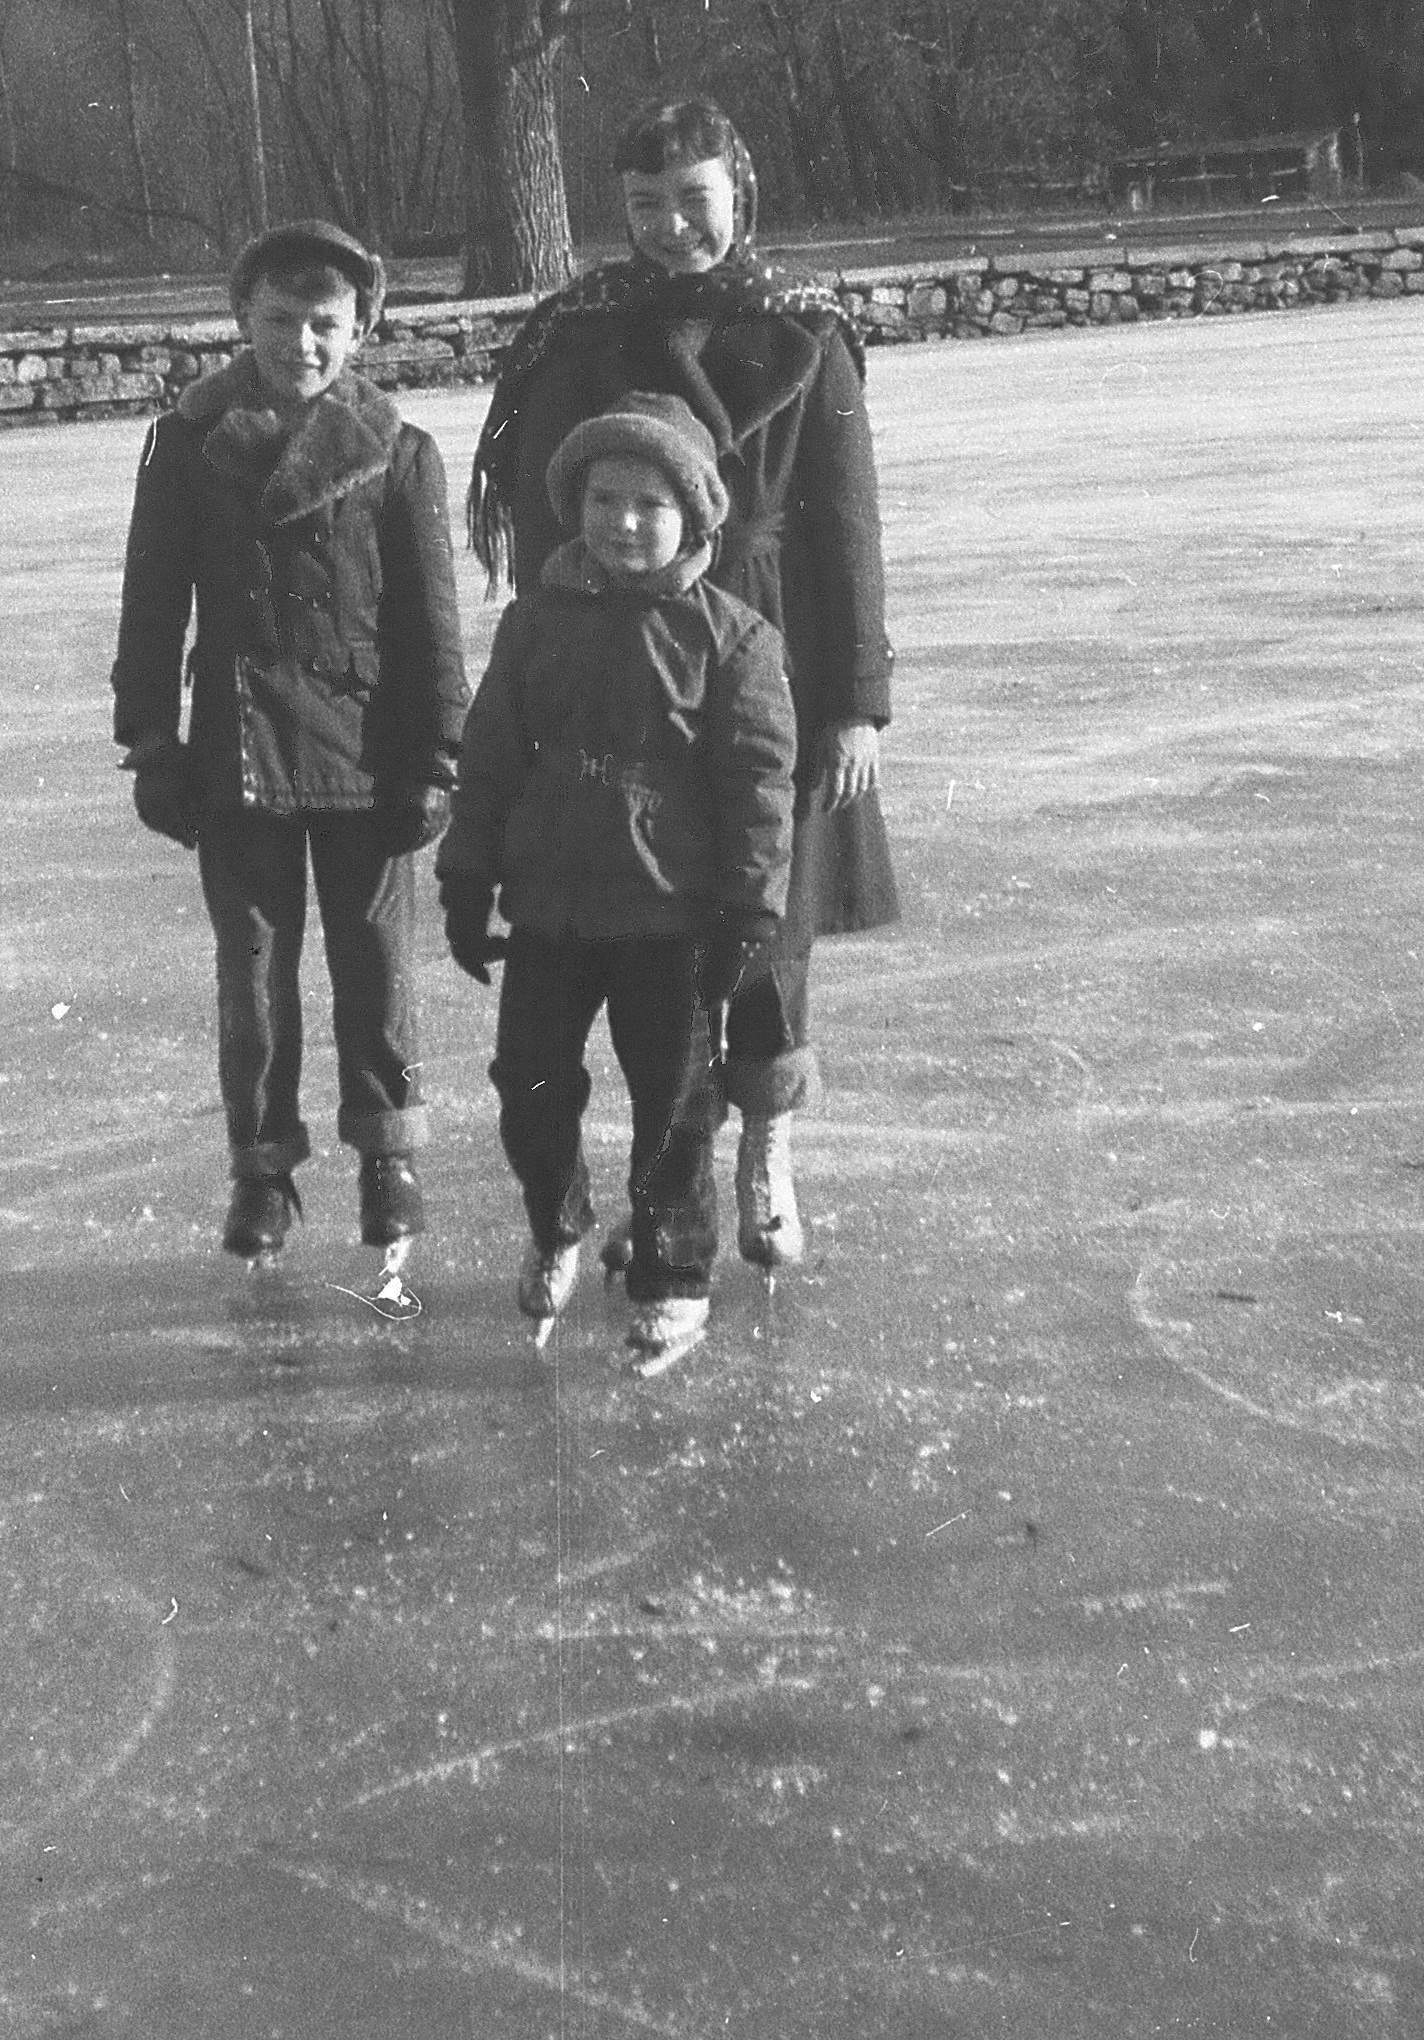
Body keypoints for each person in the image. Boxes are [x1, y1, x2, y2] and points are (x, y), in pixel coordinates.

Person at [465, 96, 892, 1281]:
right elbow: (551, 506)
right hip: (621, 664)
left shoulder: (806, 329)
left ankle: (767, 1147)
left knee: (768, 923)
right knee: (637, 933)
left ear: (738, 192)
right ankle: (659, 1188)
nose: (670, 226)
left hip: (766, 648)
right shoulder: (580, 327)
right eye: (645, 205)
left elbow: (846, 531)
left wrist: (852, 697)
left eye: (694, 198)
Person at [111, 218, 465, 1310]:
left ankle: (385, 1151)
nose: (301, 345)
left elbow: (431, 620)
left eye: (325, 325)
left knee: (373, 960)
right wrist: (150, 738)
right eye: (278, 322)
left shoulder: (398, 449)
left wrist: (438, 752)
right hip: (240, 743)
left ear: (360, 328)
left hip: (366, 742)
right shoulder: (190, 442)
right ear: (241, 321)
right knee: (254, 970)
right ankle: (262, 1168)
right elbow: (153, 597)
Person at [438, 395, 796, 1380]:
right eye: (603, 496)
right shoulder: (535, 623)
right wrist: (468, 874)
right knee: (528, 1086)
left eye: (649, 501)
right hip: (552, 909)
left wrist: (747, 907)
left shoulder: (732, 637)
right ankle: (559, 1221)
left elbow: (759, 784)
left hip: (671, 920)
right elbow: (491, 757)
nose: (622, 519)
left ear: (694, 517)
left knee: (676, 1106)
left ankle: (673, 1273)